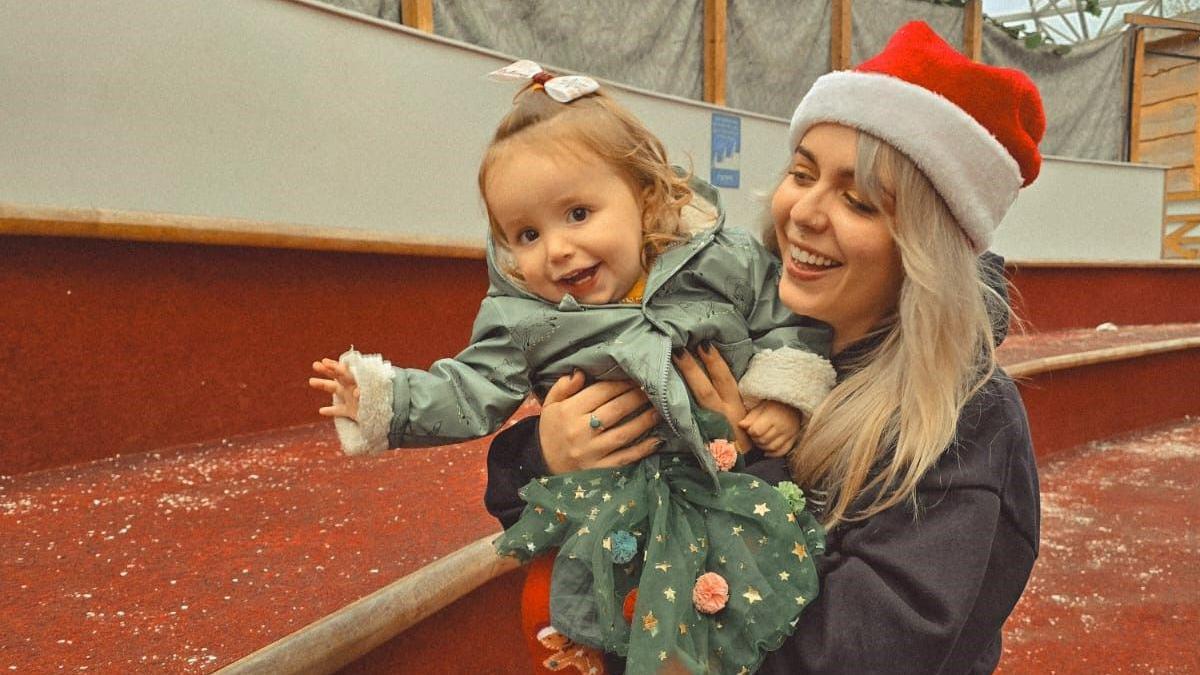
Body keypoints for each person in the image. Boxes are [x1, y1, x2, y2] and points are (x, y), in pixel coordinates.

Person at [485, 22, 1042, 674]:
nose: (805, 210)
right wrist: (547, 452)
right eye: (802, 173)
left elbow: (848, 655)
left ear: (925, 250)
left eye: (858, 201)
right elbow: (543, 510)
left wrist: (739, 462)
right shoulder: (735, 329)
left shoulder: (966, 418)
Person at [308, 60, 835, 674]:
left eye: (578, 214)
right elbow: (471, 384)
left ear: (644, 196)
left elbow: (785, 321)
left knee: (762, 602)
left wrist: (782, 396)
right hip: (621, 507)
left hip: (735, 488)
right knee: (613, 621)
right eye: (526, 234)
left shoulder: (723, 259)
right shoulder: (525, 316)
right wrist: (388, 400)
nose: (556, 248)